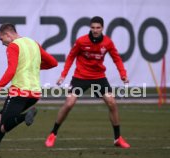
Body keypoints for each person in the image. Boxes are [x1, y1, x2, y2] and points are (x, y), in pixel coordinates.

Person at [0, 23, 58, 158]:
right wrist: (31, 66)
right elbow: (53, 62)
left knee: (4, 125)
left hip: (19, 91)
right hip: (35, 94)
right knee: (0, 117)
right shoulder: (34, 43)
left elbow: (11, 70)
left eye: (2, 39)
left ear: (8, 34)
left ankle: (24, 117)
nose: (2, 43)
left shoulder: (13, 46)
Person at [45, 16, 130, 148]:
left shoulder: (108, 43)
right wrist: (63, 75)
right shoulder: (81, 41)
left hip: (98, 77)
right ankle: (53, 133)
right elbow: (71, 57)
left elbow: (117, 59)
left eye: (98, 28)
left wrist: (123, 74)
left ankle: (117, 138)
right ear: (90, 28)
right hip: (81, 77)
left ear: (102, 28)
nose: (95, 30)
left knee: (112, 102)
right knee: (69, 103)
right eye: (93, 27)